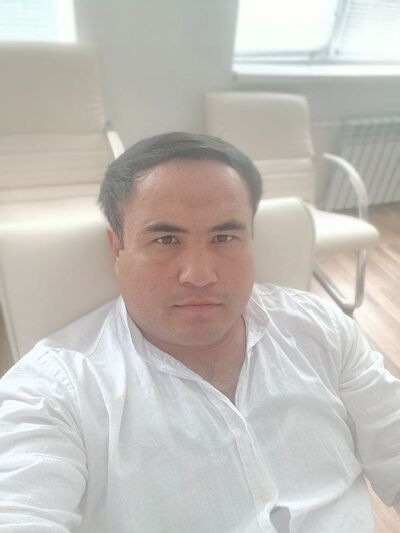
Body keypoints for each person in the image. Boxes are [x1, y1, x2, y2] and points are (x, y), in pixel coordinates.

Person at [0, 132, 398, 533]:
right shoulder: (55, 391)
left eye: (224, 237)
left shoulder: (320, 328)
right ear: (116, 250)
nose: (200, 275)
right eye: (165, 239)